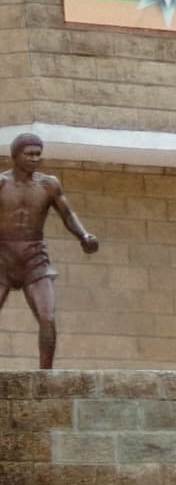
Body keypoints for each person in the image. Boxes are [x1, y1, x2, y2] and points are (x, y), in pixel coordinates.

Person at [1, 133, 101, 370]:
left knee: (47, 317)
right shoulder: (2, 183)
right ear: (15, 156)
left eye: (38, 154)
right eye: (29, 154)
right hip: (3, 255)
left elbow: (67, 214)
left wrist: (84, 235)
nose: (35, 158)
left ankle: (45, 376)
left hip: (34, 256)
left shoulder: (49, 184)